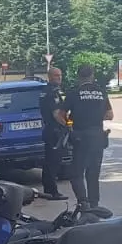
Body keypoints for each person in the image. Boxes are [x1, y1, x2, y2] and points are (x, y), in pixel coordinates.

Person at [64, 63, 113, 209]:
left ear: (78, 76)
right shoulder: (101, 92)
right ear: (92, 76)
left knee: (76, 173)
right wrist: (96, 118)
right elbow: (110, 115)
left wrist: (70, 123)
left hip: (80, 137)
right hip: (98, 136)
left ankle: (83, 202)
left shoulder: (74, 93)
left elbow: (61, 115)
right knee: (93, 173)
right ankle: (94, 204)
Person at [36, 68, 69, 200]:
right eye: (56, 75)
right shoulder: (52, 93)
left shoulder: (45, 92)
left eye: (60, 75)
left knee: (50, 161)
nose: (59, 78)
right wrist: (68, 126)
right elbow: (56, 114)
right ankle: (52, 192)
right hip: (54, 131)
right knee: (53, 162)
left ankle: (49, 189)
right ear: (49, 76)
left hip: (50, 130)